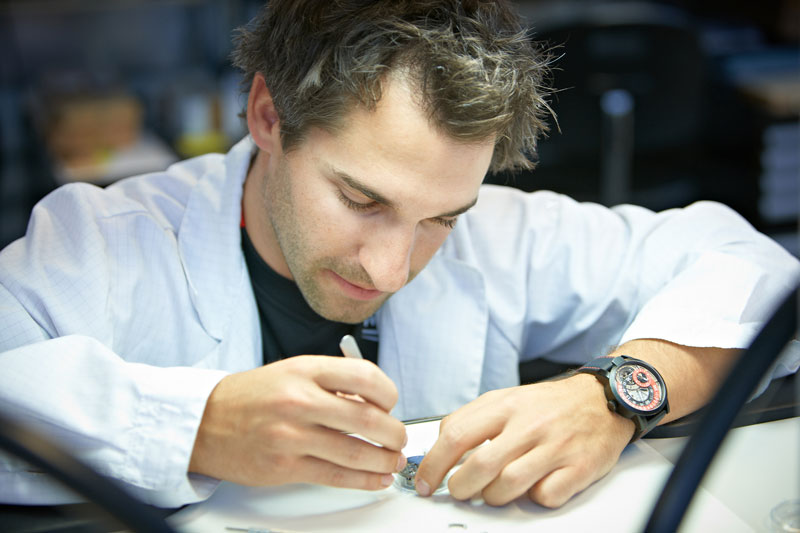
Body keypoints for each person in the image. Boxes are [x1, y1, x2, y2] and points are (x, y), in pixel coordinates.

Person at [0, 0, 798, 511]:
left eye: (440, 218)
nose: (389, 269)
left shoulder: (502, 235)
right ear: (270, 114)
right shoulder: (106, 241)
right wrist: (198, 427)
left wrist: (617, 396)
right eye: (360, 199)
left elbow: (756, 271)